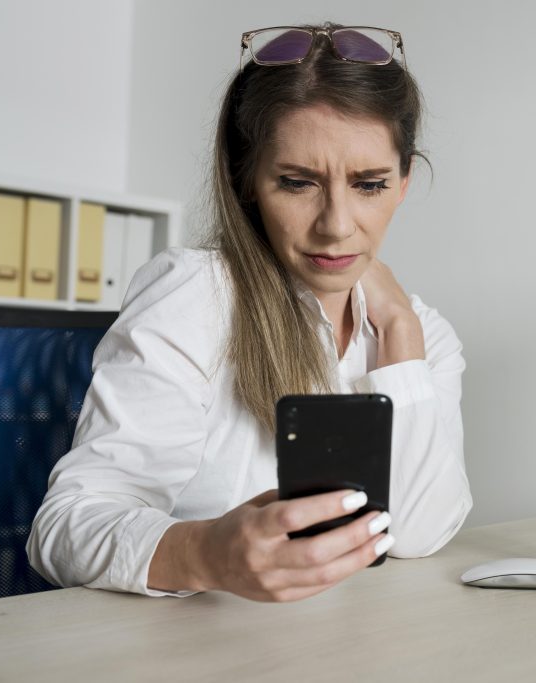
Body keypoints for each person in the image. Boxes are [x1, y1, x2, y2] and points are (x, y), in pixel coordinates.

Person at [27, 23, 472, 602]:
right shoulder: (196, 296)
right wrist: (208, 552)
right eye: (296, 182)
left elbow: (417, 532)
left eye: (369, 184)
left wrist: (401, 335)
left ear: (404, 180)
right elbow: (62, 529)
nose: (336, 225)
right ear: (247, 181)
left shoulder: (422, 336)